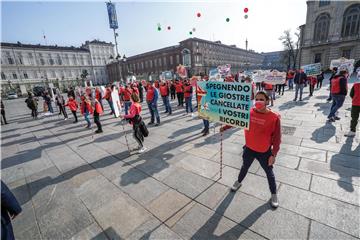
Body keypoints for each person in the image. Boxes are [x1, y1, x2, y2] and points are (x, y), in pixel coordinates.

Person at [220, 91, 281, 208]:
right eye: (257, 99)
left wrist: (274, 154)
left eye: (262, 99)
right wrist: (225, 127)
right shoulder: (249, 112)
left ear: (267, 101)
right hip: (249, 148)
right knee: (245, 166)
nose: (259, 101)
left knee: (269, 173)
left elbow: (277, 138)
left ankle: (274, 194)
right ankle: (238, 182)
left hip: (264, 152)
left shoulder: (274, 117)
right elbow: (237, 120)